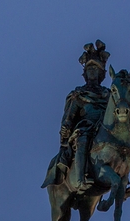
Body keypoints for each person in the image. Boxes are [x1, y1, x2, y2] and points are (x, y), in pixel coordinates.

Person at [42, 40, 110, 193]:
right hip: (85, 128)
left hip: (104, 127)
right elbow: (68, 118)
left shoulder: (108, 95)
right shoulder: (78, 94)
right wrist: (64, 138)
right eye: (90, 69)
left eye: (95, 69)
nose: (92, 72)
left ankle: (123, 182)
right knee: (83, 139)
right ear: (85, 74)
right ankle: (79, 179)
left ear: (100, 73)